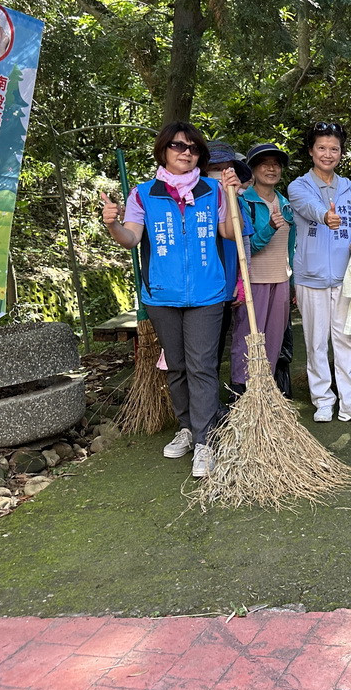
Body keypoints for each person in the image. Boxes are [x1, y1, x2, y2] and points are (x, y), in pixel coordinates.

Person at [100, 122, 249, 477]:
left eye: (194, 148)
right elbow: (131, 239)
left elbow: (232, 233)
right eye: (178, 146)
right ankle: (187, 426)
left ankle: (204, 440)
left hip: (207, 294)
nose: (186, 152)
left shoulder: (213, 189)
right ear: (163, 150)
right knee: (177, 366)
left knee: (202, 366)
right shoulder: (143, 194)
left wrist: (233, 199)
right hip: (162, 295)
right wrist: (111, 224)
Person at [287, 122, 351, 426]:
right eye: (322, 148)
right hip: (310, 277)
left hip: (344, 278)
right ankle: (323, 400)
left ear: (341, 152)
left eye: (334, 148)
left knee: (348, 340)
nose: (328, 154)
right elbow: (309, 207)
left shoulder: (350, 188)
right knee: (315, 342)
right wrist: (325, 215)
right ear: (312, 151)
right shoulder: (298, 186)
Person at [231, 142, 294, 395]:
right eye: (265, 163)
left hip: (281, 280)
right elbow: (246, 248)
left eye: (276, 164)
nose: (272, 168)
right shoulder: (243, 201)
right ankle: (240, 391)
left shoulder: (285, 203)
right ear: (253, 170)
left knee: (274, 340)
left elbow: (291, 248)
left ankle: (264, 391)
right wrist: (269, 227)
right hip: (252, 280)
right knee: (247, 338)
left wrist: (293, 281)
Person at [204, 141, 253, 396]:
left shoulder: (238, 201)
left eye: (226, 167)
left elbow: (245, 241)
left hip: (229, 285)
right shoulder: (196, 200)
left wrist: (243, 283)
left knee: (226, 340)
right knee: (204, 349)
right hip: (203, 286)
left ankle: (223, 396)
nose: (221, 172)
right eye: (214, 168)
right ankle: (205, 403)